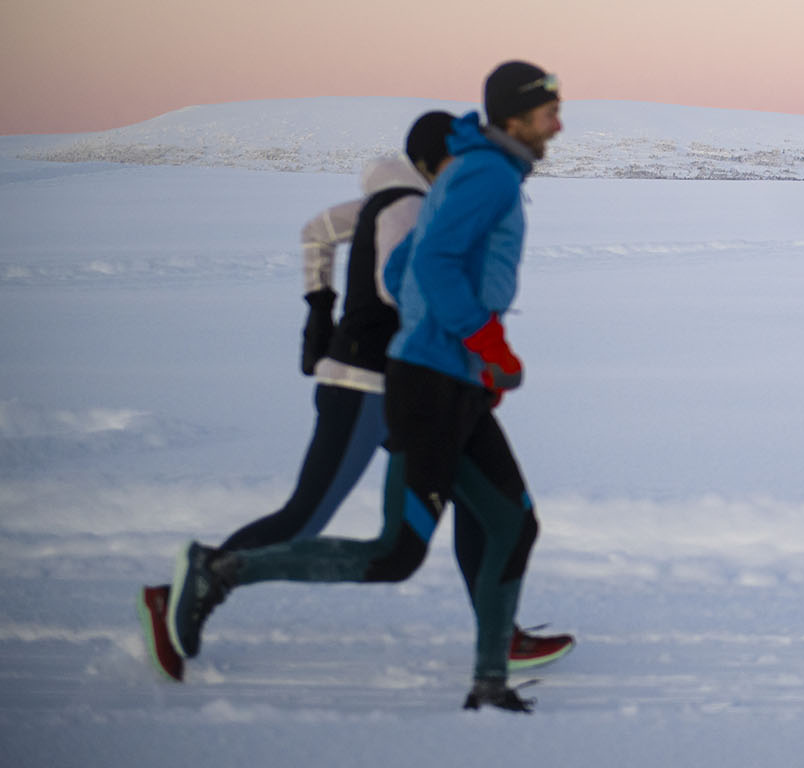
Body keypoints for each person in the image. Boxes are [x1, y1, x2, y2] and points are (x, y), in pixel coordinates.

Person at [166, 63, 565, 713]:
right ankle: (221, 570)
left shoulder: (473, 168)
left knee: (510, 522)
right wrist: (484, 344)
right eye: (549, 109)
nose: (559, 121)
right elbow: (430, 264)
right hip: (430, 385)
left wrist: (465, 356)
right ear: (514, 117)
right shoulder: (487, 173)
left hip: (446, 375)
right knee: (395, 552)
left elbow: (408, 262)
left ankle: (489, 681)